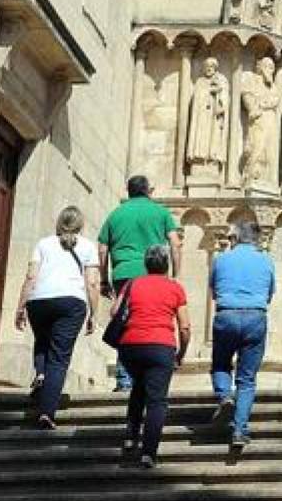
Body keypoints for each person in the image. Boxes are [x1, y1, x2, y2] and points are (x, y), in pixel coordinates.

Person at [13, 206, 100, 429]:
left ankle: (41, 374)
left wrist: (21, 306)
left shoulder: (43, 243)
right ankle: (46, 413)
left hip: (39, 300)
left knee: (42, 340)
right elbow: (91, 283)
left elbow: (31, 276)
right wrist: (94, 312)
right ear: (80, 225)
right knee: (59, 358)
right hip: (71, 302)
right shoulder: (88, 247)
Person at [98, 175, 183, 392]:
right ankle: (146, 375)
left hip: (123, 273)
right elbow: (175, 243)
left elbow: (102, 248)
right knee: (151, 319)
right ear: (148, 191)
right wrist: (176, 274)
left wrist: (103, 278)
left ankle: (124, 379)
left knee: (124, 323)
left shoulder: (116, 214)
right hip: (152, 272)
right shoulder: (161, 212)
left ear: (128, 191)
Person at [115, 245, 190, 468]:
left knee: (138, 387)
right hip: (160, 347)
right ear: (166, 264)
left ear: (146, 264)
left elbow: (114, 312)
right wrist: (181, 354)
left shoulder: (132, 284)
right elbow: (184, 327)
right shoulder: (175, 288)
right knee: (156, 400)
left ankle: (130, 436)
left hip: (131, 346)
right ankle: (148, 452)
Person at [209, 221, 275, 447]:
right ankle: (239, 430)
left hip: (226, 314)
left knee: (220, 365)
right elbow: (269, 294)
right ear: (256, 240)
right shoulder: (266, 261)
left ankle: (225, 395)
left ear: (235, 238)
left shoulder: (221, 259)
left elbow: (213, 292)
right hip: (255, 316)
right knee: (247, 379)